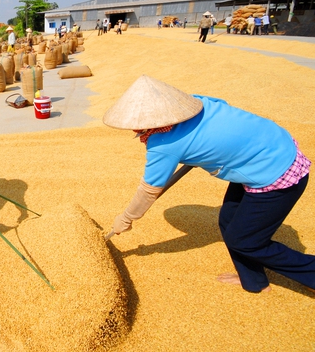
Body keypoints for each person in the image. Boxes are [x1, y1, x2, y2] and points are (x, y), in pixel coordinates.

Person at [102, 75, 314, 294]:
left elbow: (149, 190)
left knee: (245, 241)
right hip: (270, 146)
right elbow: (222, 109)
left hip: (277, 171)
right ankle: (254, 282)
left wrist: (126, 219)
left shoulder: (163, 144)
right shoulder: (197, 103)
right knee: (229, 220)